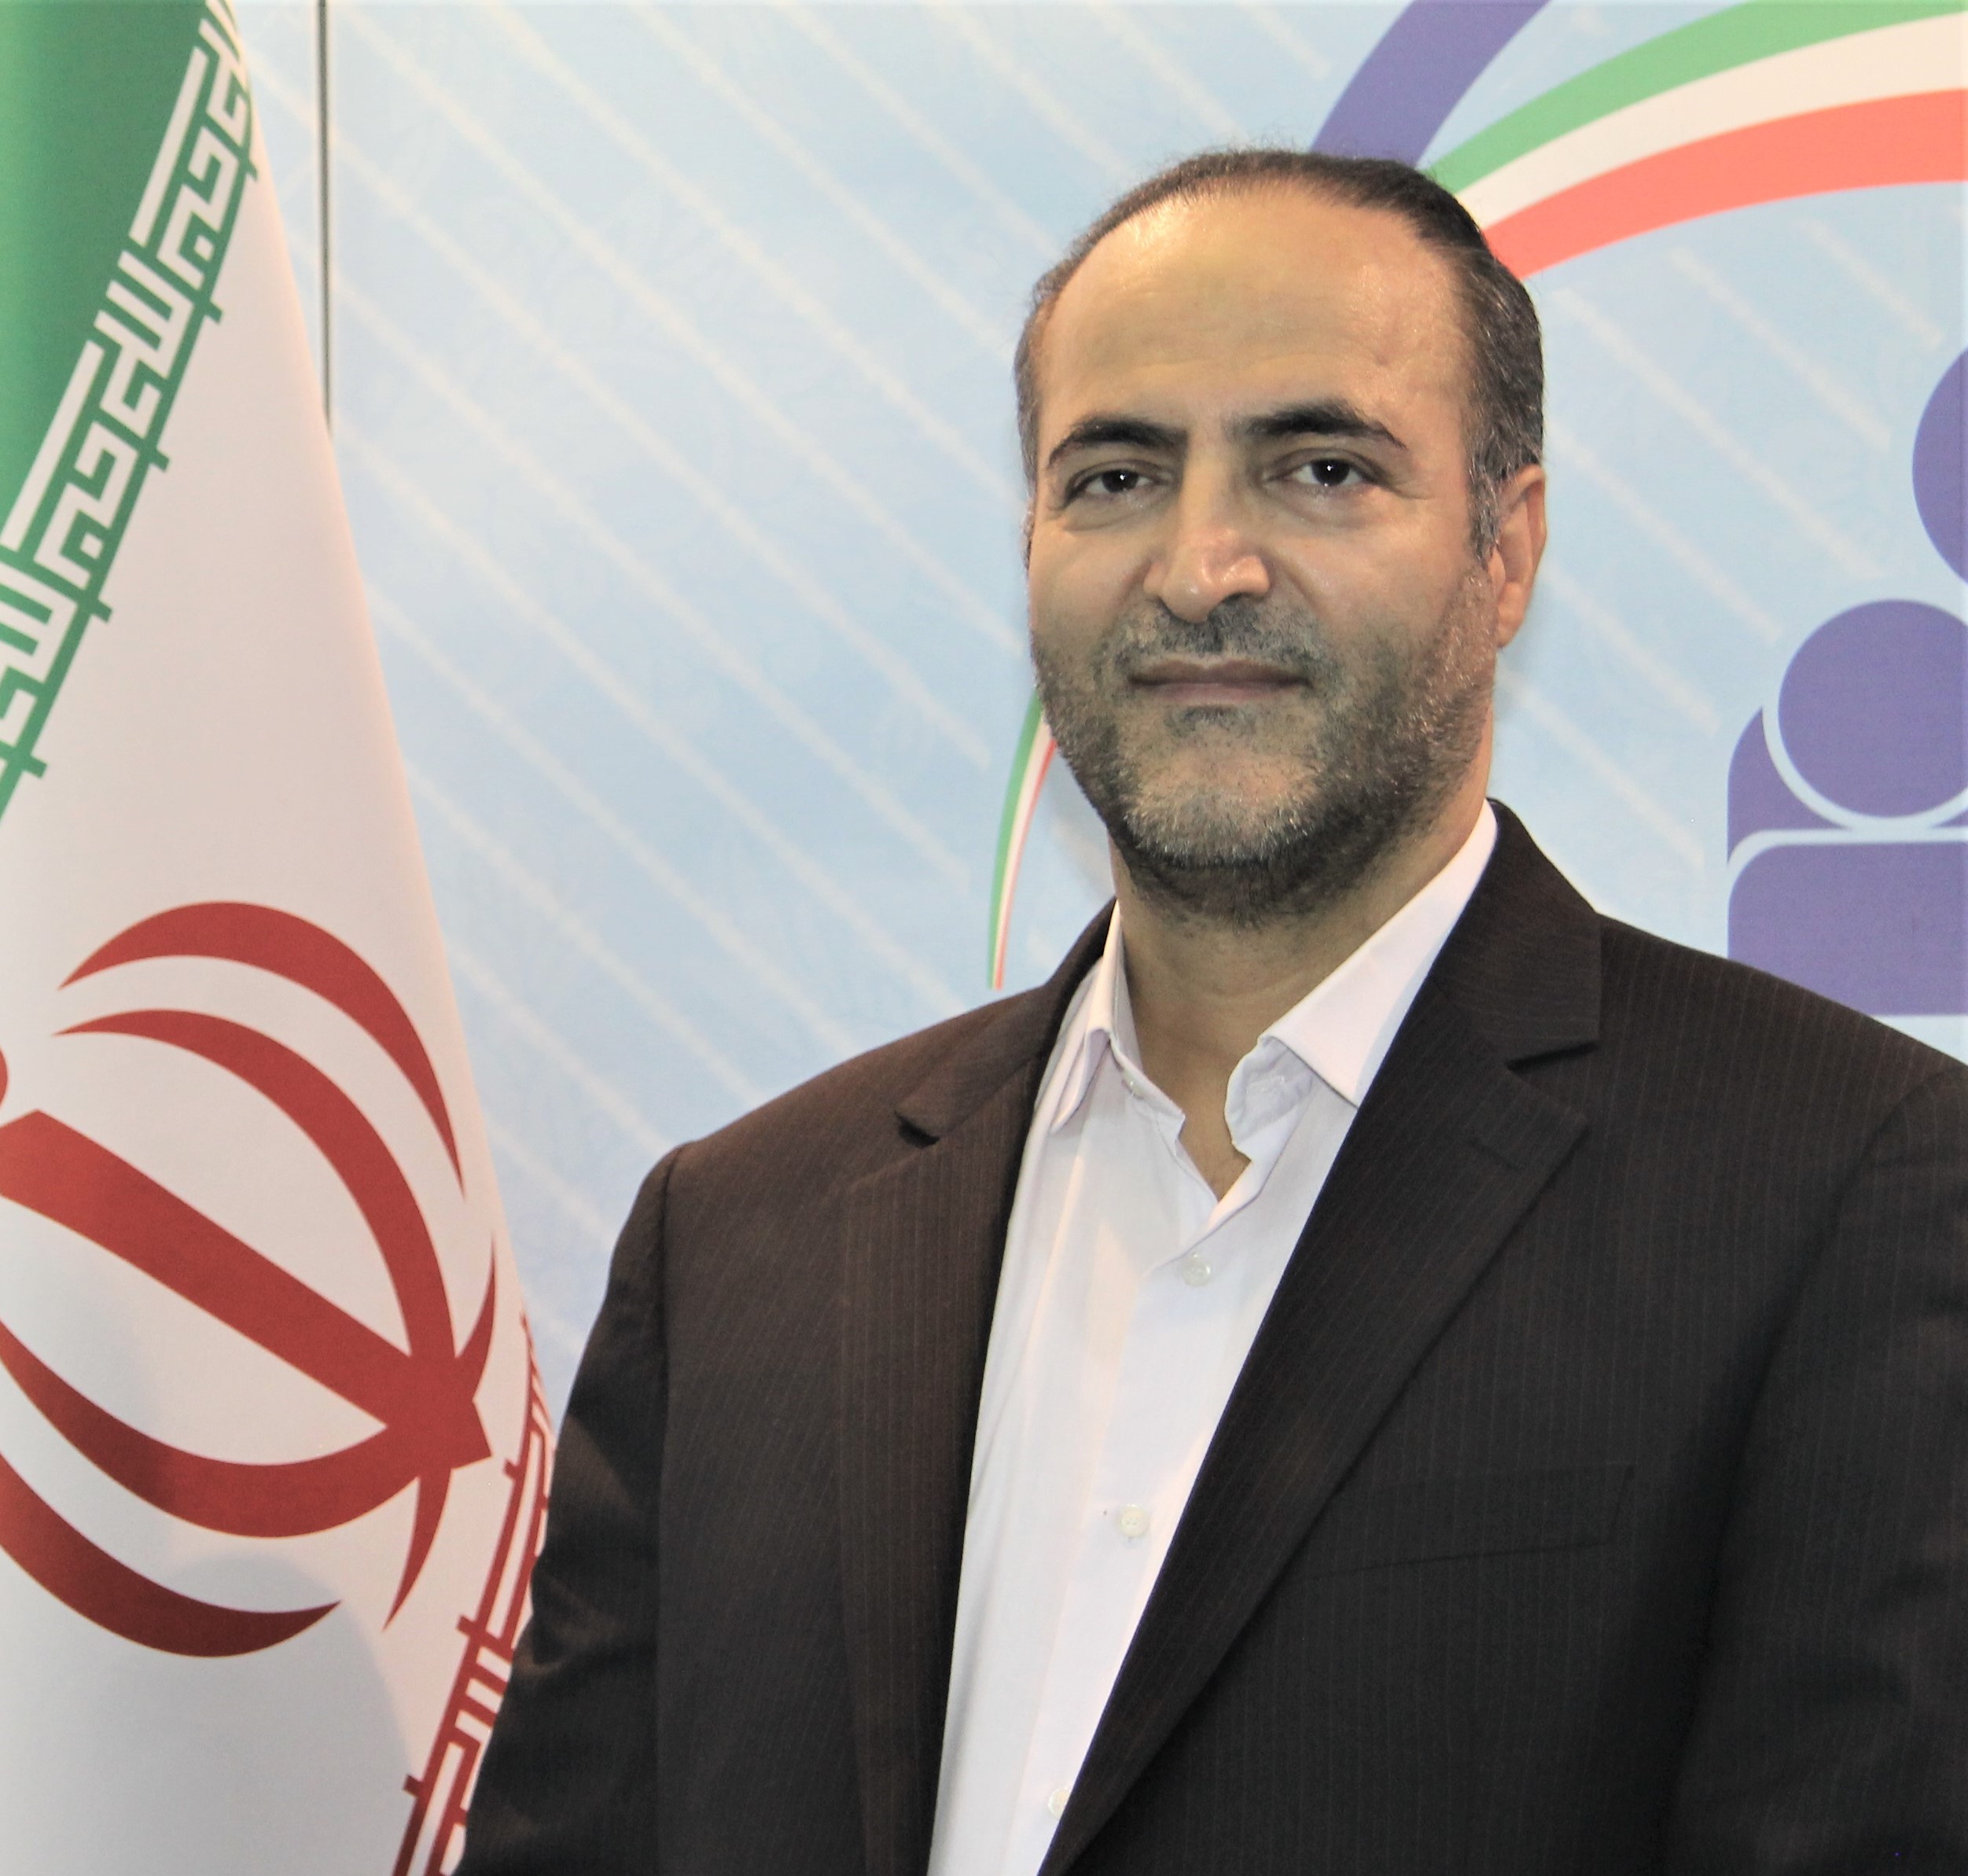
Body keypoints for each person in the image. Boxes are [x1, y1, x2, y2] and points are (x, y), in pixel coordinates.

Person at [458, 151, 1968, 1875]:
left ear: (1507, 547)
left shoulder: (1838, 1194)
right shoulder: (737, 1244)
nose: (1202, 565)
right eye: (1115, 475)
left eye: (1322, 468)